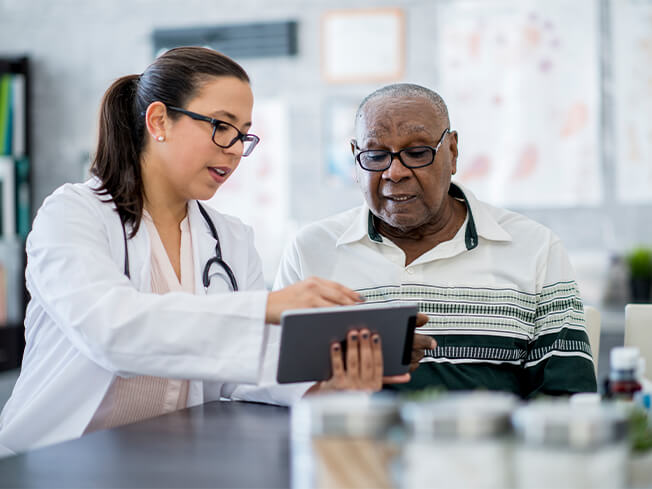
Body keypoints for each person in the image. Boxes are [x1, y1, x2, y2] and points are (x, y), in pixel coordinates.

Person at [0, 48, 412, 455]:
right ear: (159, 120)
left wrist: (329, 377)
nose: (234, 148)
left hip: (171, 460)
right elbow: (112, 332)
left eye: (243, 134)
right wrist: (265, 307)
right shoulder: (73, 213)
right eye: (221, 126)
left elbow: (244, 369)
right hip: (57, 460)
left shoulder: (231, 238)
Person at [275, 83, 597, 398]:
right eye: (375, 155)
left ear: (453, 152)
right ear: (355, 159)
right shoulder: (310, 251)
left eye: (417, 153)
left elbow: (567, 400)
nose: (394, 172)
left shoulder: (534, 249)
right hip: (352, 449)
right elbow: (273, 391)